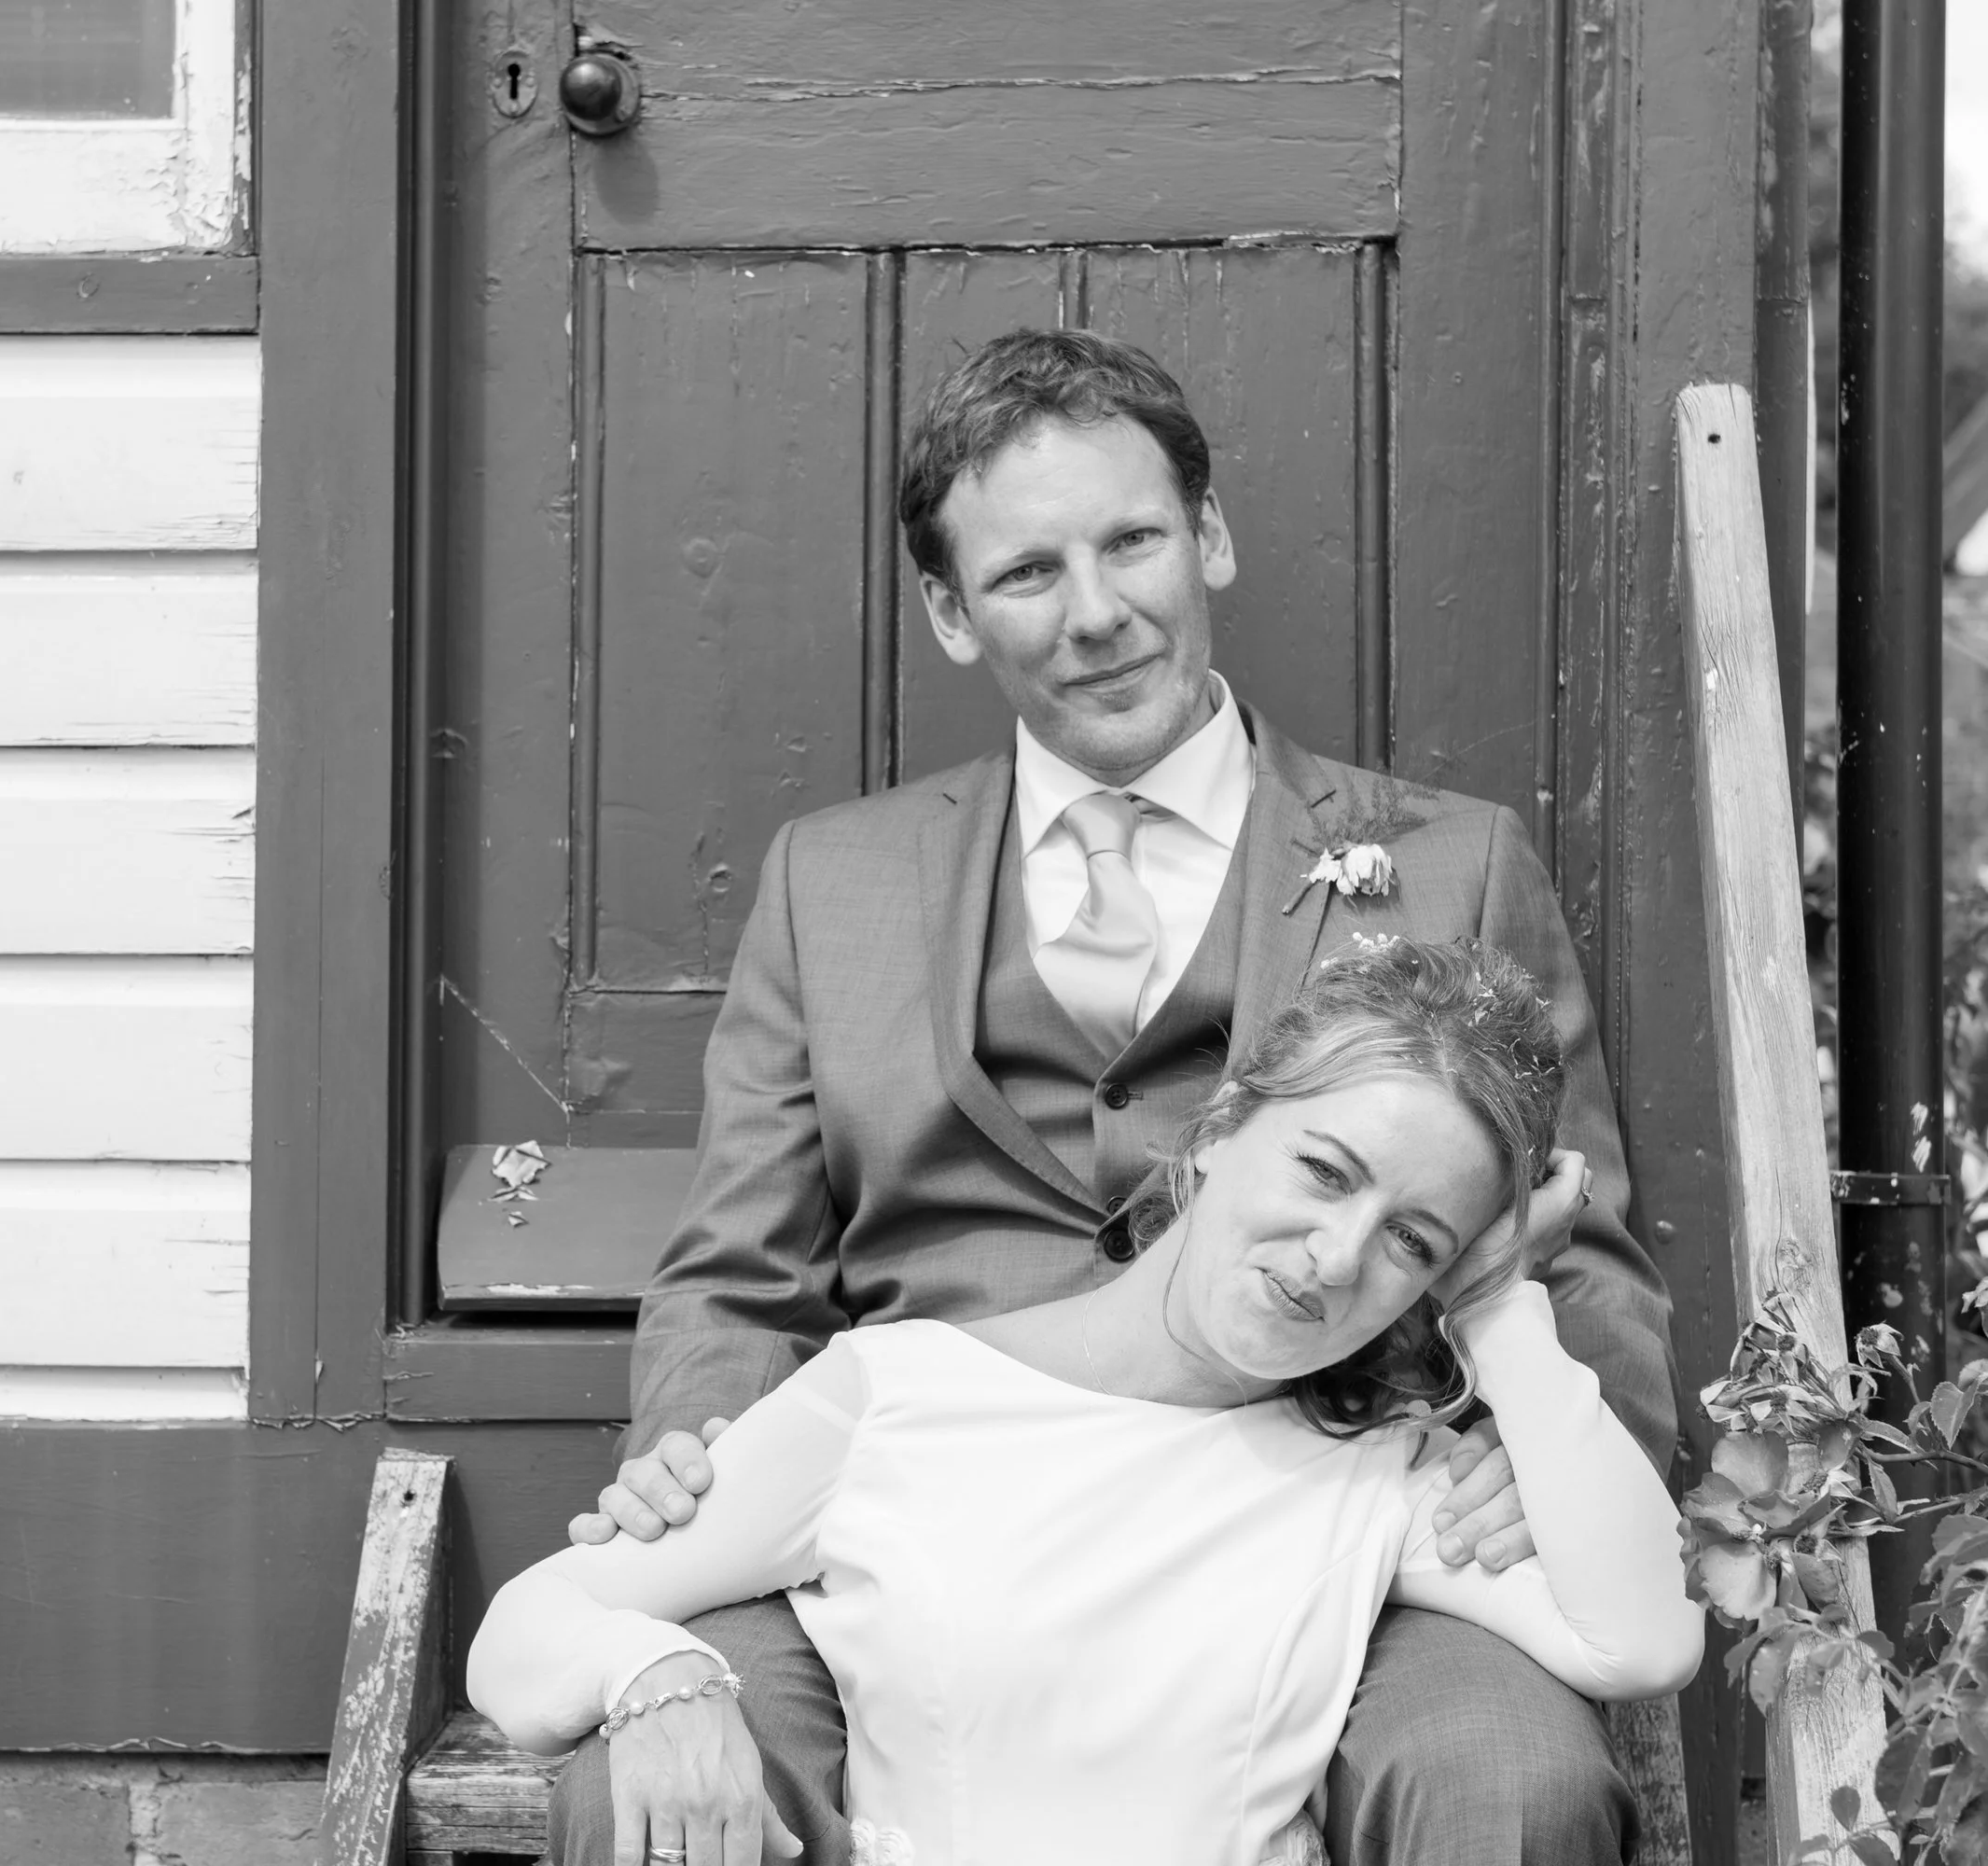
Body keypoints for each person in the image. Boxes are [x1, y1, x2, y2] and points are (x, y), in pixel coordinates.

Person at [550, 330, 1680, 1865]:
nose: (1099, 615)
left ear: (1205, 536)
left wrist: (1534, 1462)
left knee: (1512, 1783)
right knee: (659, 1790)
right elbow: (739, 1277)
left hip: (1330, 1511)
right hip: (932, 1543)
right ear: (951, 612)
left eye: (1135, 540)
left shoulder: (1450, 863)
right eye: (1026, 574)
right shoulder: (838, 882)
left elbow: (1583, 1257)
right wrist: (699, 1467)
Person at [473, 941, 1703, 1866]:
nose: (1334, 1257)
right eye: (1324, 1172)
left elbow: (1638, 1640)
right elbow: (528, 1628)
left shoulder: (1375, 1474)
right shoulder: (896, 1399)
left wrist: (1503, 1313)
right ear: (1224, 1129)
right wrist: (660, 1680)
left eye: (1412, 1241)